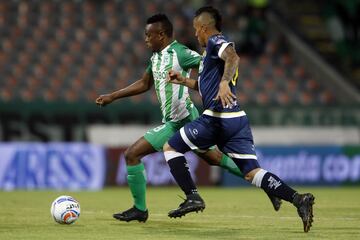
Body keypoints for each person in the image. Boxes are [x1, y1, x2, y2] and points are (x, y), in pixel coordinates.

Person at [95, 14, 281, 223]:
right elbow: (144, 83)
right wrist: (113, 96)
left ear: (161, 34)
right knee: (214, 159)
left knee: (132, 154)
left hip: (183, 119)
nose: (145, 39)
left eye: (148, 35)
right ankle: (267, 186)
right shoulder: (156, 57)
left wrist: (223, 83)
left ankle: (142, 209)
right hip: (174, 120)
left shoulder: (180, 53)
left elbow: (208, 63)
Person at [164, 6, 315, 232]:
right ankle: (298, 199)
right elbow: (208, 87)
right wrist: (186, 82)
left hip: (216, 119)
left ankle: (193, 197)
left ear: (204, 28)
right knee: (252, 173)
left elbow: (233, 57)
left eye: (197, 30)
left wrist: (225, 82)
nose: (195, 34)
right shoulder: (209, 53)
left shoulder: (217, 42)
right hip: (236, 119)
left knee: (171, 148)